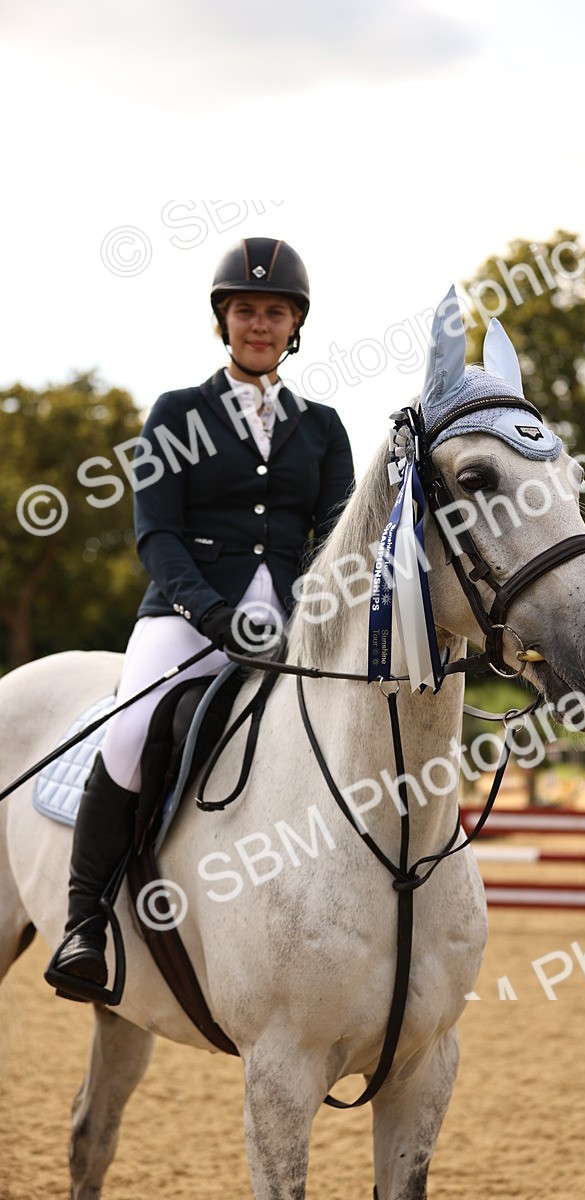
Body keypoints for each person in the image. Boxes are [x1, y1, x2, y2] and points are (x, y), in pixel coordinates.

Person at [48, 237, 355, 998]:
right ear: (224, 321)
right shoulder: (178, 413)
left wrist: (315, 614)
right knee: (130, 733)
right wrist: (212, 613)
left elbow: (338, 537)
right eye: (245, 310)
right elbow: (156, 534)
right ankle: (86, 923)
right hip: (187, 617)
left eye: (274, 312)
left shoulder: (323, 427)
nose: (259, 324)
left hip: (294, 624)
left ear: (295, 324)